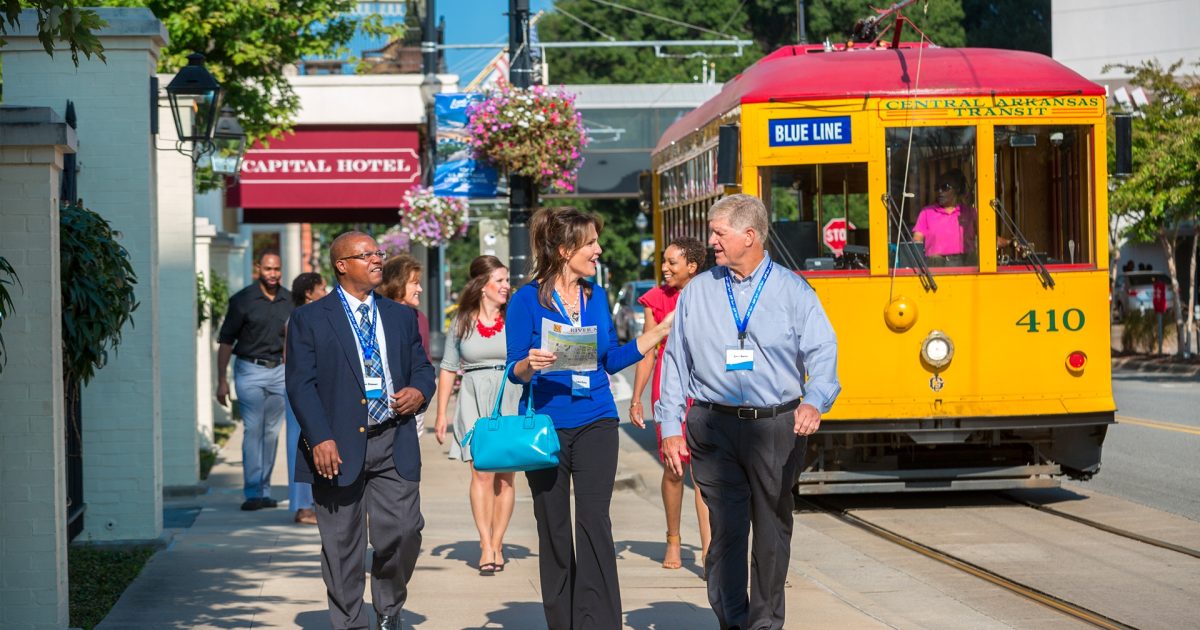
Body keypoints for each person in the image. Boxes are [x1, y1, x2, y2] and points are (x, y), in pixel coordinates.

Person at [656, 194, 840, 630]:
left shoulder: (793, 289)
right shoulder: (698, 291)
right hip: (713, 425)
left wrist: (816, 400)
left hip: (775, 426)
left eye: (719, 233)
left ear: (749, 236)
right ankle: (732, 620)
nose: (711, 242)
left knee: (772, 530)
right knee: (727, 531)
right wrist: (669, 425)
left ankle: (764, 623)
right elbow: (676, 362)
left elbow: (823, 349)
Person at [507, 206, 676, 629]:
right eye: (590, 244)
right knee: (553, 526)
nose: (599, 250)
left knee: (595, 521)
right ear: (565, 250)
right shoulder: (526, 300)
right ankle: (562, 621)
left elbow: (607, 360)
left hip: (598, 418)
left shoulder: (595, 296)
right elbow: (513, 370)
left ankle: (598, 621)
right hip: (545, 425)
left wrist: (656, 334)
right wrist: (530, 363)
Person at [285, 232, 435, 630]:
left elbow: (423, 367)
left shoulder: (401, 316)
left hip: (393, 437)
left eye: (378, 253)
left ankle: (388, 607)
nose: (376, 260)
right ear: (341, 265)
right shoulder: (309, 318)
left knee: (404, 531)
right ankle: (351, 623)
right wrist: (319, 437)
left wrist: (420, 391)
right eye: (366, 254)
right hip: (336, 444)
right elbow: (301, 384)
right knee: (342, 545)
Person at [434, 255, 521, 575]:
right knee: (482, 472)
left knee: (506, 476)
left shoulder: (514, 316)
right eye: (499, 280)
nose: (506, 286)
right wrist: (441, 413)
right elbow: (447, 368)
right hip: (471, 397)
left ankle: (498, 541)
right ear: (482, 286)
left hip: (509, 395)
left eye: (507, 280)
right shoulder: (462, 321)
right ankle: (485, 543)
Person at [629, 236, 711, 573]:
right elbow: (648, 351)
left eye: (671, 262)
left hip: (705, 385)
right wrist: (636, 398)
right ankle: (674, 538)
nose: (664, 268)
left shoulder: (710, 293)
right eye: (663, 261)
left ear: (691, 266)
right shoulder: (656, 300)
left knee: (705, 473)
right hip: (669, 385)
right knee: (675, 468)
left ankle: (709, 550)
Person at [216, 250, 293, 511]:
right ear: (258, 268)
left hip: (279, 372)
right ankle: (252, 492)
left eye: (277, 269)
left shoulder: (289, 300)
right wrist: (221, 381)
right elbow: (226, 340)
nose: (273, 274)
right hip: (249, 370)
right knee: (253, 429)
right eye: (268, 269)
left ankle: (264, 489)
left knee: (271, 433)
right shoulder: (242, 300)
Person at [284, 272, 326, 525]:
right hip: (300, 390)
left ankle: (312, 503)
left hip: (314, 389)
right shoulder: (299, 319)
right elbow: (291, 361)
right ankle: (302, 507)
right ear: (309, 293)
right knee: (298, 445)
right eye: (321, 288)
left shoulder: (313, 317)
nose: (325, 292)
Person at [382, 253, 431, 439]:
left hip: (413, 403)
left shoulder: (420, 319)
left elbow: (424, 362)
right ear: (397, 282)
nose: (420, 288)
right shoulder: (378, 316)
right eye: (414, 283)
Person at [913, 169, 974, 266]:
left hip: (964, 265)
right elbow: (917, 241)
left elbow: (988, 237)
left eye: (945, 187)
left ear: (957, 189)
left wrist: (1007, 242)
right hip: (935, 264)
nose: (940, 191)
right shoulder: (926, 212)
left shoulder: (970, 212)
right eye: (937, 188)